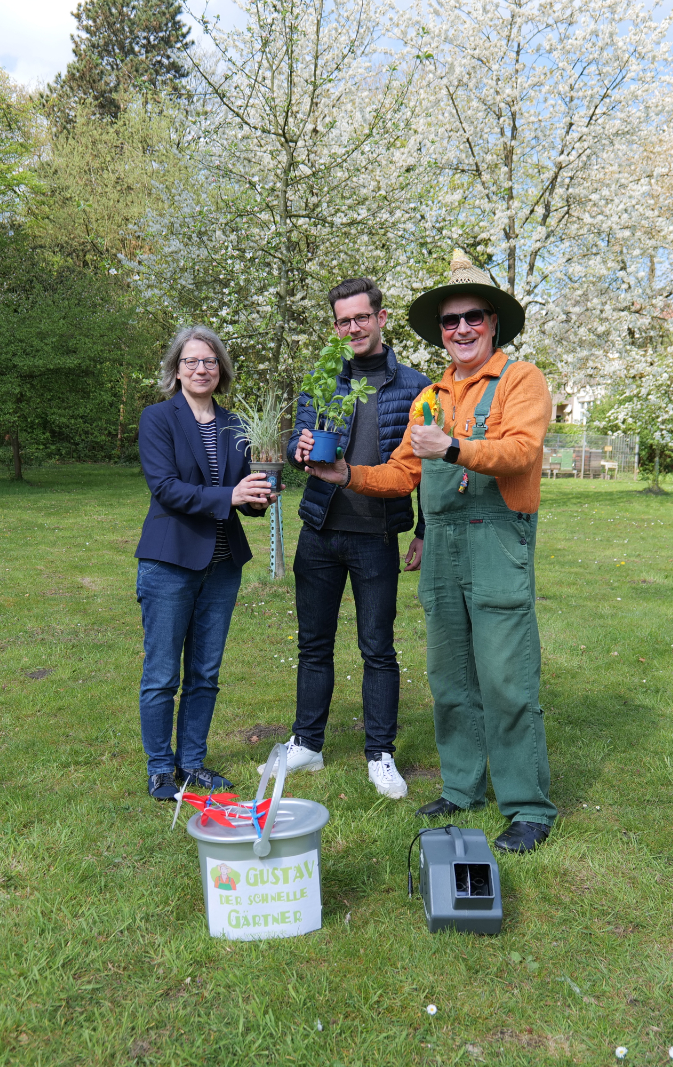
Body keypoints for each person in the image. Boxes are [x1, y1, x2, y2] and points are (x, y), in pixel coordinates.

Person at [299, 252, 555, 853]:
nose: (461, 329)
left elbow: (521, 451)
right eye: (450, 321)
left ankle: (527, 806)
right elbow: (401, 473)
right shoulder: (430, 398)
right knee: (449, 677)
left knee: (506, 679)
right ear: (440, 331)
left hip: (497, 546)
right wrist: (346, 475)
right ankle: (462, 788)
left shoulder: (521, 380)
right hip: (441, 550)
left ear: (493, 323)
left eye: (472, 318)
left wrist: (455, 447)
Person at [273, 277, 431, 800]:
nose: (354, 328)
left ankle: (380, 753)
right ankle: (307, 742)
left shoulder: (416, 387)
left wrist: (423, 531)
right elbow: (297, 444)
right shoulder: (322, 380)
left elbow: (426, 468)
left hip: (376, 536)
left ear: (381, 318)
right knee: (313, 644)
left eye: (362, 317)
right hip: (320, 531)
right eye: (344, 321)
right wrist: (299, 449)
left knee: (377, 648)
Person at [134, 326, 276, 802]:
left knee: (205, 673)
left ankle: (191, 763)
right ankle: (160, 768)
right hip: (169, 563)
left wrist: (257, 497)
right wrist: (230, 495)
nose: (201, 369)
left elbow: (242, 498)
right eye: (191, 361)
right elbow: (166, 488)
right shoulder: (158, 418)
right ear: (176, 370)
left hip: (222, 566)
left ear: (221, 370)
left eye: (210, 361)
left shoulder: (236, 425)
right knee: (162, 675)